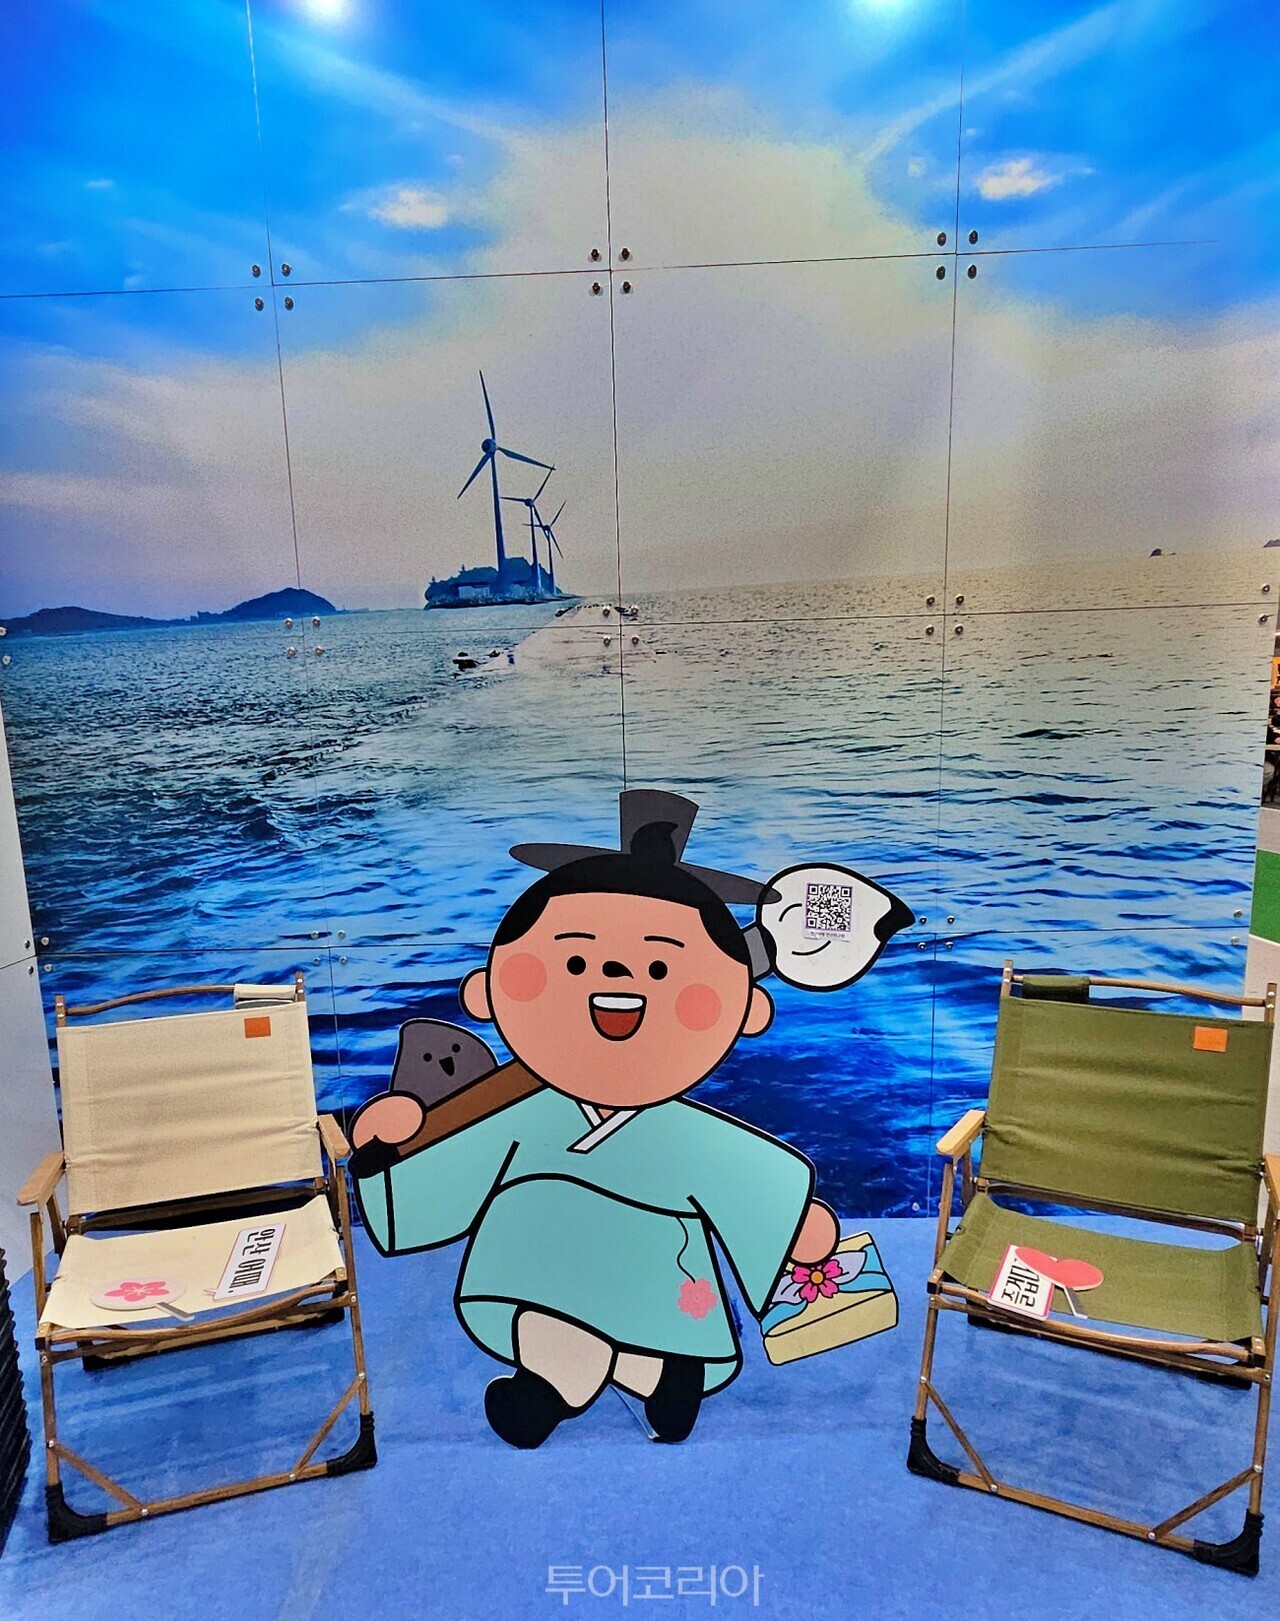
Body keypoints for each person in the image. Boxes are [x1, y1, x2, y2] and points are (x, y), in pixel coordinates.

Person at [349, 791, 839, 1449]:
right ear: (485, 991)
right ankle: (641, 1374)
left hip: (652, 1278)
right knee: (558, 1313)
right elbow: (455, 1164)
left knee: (585, 1326)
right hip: (542, 1264)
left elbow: (739, 1176)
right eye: (574, 962)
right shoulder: (518, 1109)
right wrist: (386, 1152)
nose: (614, 975)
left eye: (660, 967)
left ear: (746, 1011)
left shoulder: (677, 1130)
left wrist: (789, 1225)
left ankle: (590, 1380)